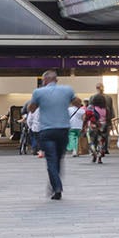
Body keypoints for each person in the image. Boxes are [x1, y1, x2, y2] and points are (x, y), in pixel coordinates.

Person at [26, 70, 77, 200]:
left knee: (51, 160)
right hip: (63, 130)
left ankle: (57, 187)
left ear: (44, 81)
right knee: (59, 159)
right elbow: (77, 102)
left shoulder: (38, 92)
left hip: (47, 131)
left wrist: (36, 104)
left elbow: (31, 108)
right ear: (56, 80)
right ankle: (56, 185)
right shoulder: (67, 90)